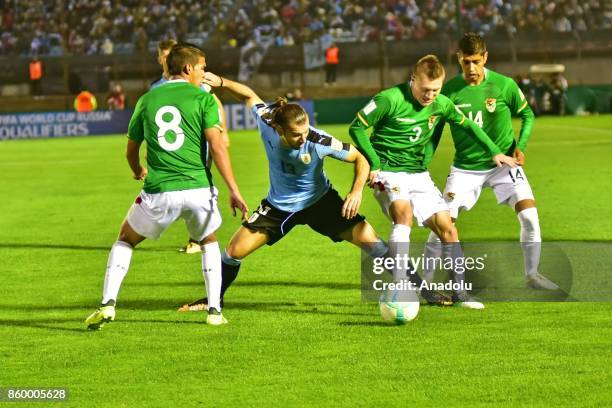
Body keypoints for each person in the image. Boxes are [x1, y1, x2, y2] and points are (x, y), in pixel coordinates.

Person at [177, 72, 451, 312]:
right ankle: (214, 300)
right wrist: (223, 83)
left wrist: (355, 192)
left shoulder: (319, 141)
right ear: (279, 130)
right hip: (279, 207)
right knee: (232, 252)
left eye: (306, 130)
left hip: (322, 203)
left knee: (376, 245)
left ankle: (424, 290)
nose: (304, 137)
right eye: (297, 134)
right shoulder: (266, 121)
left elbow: (361, 159)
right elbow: (249, 94)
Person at [85, 43, 248, 330]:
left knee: (125, 239)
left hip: (159, 191)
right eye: (201, 67)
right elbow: (217, 147)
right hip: (198, 188)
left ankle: (108, 304)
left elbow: (130, 151)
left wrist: (138, 171)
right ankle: (214, 310)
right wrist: (234, 189)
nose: (204, 73)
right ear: (187, 68)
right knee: (209, 240)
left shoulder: (147, 99)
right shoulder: (203, 99)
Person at [349, 54, 518, 309]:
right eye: (426, 90)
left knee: (448, 228)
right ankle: (400, 285)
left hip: (418, 174)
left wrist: (494, 151)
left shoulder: (442, 103)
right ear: (413, 79)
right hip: (388, 172)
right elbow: (356, 128)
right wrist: (374, 162)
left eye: (436, 90)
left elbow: (469, 126)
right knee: (403, 214)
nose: (430, 96)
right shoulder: (389, 99)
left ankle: (460, 294)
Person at [423, 33, 557, 290]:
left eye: (476, 61)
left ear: (485, 57)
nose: (471, 68)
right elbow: (436, 131)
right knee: (443, 224)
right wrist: (424, 162)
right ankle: (424, 282)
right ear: (458, 59)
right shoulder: (448, 91)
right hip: (465, 168)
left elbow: (527, 114)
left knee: (529, 215)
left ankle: (532, 275)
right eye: (466, 62)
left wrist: (522, 145)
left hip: (504, 165)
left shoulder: (504, 85)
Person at [152, 39, 231, 255]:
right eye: (165, 56)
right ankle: (199, 236)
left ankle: (198, 238)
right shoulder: (155, 88)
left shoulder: (197, 82)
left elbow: (213, 101)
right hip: (171, 152)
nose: (169, 60)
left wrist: (223, 130)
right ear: (160, 59)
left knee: (197, 187)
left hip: (198, 145)